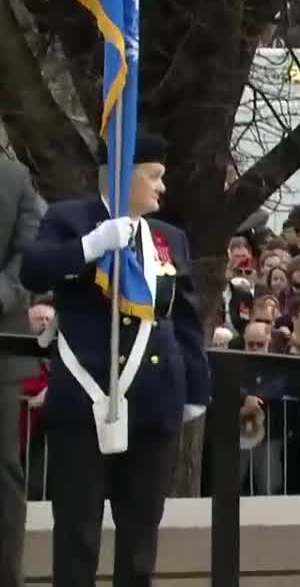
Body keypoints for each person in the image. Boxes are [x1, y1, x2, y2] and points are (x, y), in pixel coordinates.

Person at [19, 132, 209, 586]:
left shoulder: (168, 237)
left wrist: (195, 388)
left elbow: (184, 317)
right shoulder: (72, 218)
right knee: (77, 534)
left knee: (140, 538)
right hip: (85, 397)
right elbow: (35, 269)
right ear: (125, 174)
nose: (162, 187)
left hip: (153, 399)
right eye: (154, 176)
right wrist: (91, 246)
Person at [0, 157, 43, 587]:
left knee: (2, 474)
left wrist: (3, 292)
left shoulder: (14, 178)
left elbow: (28, 250)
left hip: (2, 349)